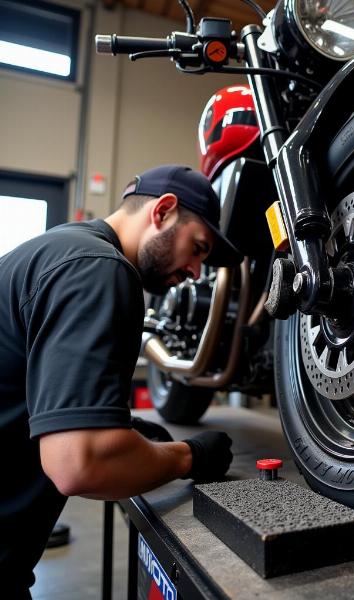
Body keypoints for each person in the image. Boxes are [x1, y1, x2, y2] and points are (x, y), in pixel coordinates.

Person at [0, 164, 241, 597]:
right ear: (163, 211)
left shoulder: (61, 247)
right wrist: (188, 457)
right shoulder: (100, 269)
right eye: (198, 248)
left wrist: (125, 433)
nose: (195, 272)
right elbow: (77, 463)